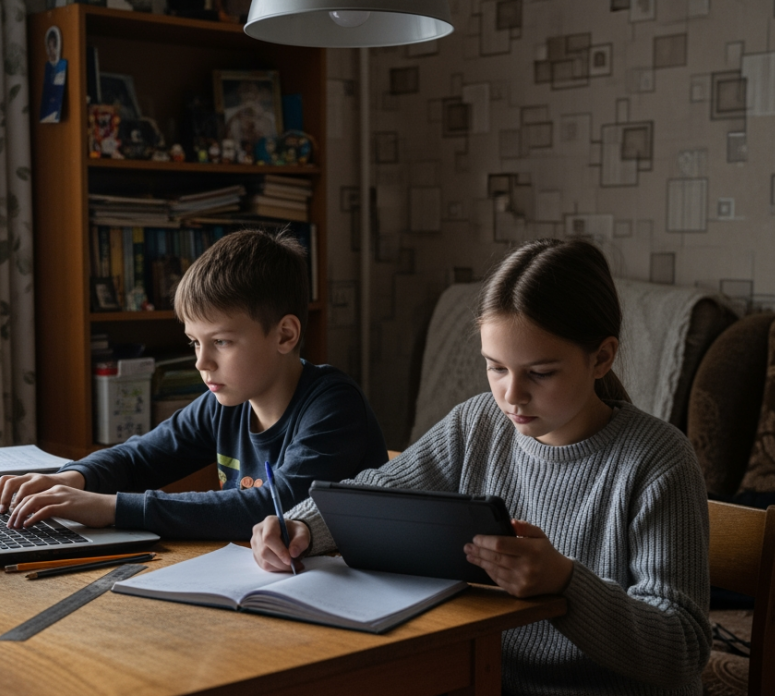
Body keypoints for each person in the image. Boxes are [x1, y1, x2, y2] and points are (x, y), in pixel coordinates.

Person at [251, 239, 711, 694]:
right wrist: (301, 526)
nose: (512, 395)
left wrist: (565, 582)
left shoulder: (657, 459)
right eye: (496, 368)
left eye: (541, 373)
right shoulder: (477, 423)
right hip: (483, 678)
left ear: (602, 357)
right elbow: (381, 490)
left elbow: (684, 648)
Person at [0, 230, 388, 539]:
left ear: (285, 335)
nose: (201, 362)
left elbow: (276, 506)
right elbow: (139, 457)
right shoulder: (225, 403)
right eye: (195, 342)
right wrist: (72, 479)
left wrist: (111, 509)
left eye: (221, 342)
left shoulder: (334, 406)